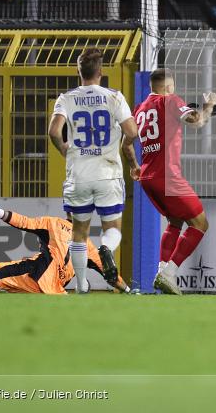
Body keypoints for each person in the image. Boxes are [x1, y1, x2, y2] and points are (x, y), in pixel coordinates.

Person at [48, 48, 140, 294]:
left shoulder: (66, 98)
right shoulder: (114, 97)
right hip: (108, 173)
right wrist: (127, 154)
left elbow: (54, 132)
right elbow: (131, 132)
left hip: (78, 174)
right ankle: (106, 249)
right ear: (101, 72)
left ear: (79, 72)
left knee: (79, 233)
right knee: (113, 230)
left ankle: (81, 286)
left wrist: (66, 150)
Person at [129, 68, 216, 295]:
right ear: (169, 87)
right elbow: (196, 121)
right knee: (200, 224)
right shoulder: (169, 100)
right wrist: (209, 104)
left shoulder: (139, 109)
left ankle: (162, 272)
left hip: (148, 177)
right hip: (167, 176)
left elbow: (125, 143)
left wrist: (134, 165)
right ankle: (169, 273)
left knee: (175, 222)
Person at [0, 192, 134, 294]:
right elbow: (111, 275)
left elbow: (23, 222)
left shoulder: (53, 223)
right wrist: (128, 291)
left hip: (34, 275)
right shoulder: (88, 245)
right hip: (56, 290)